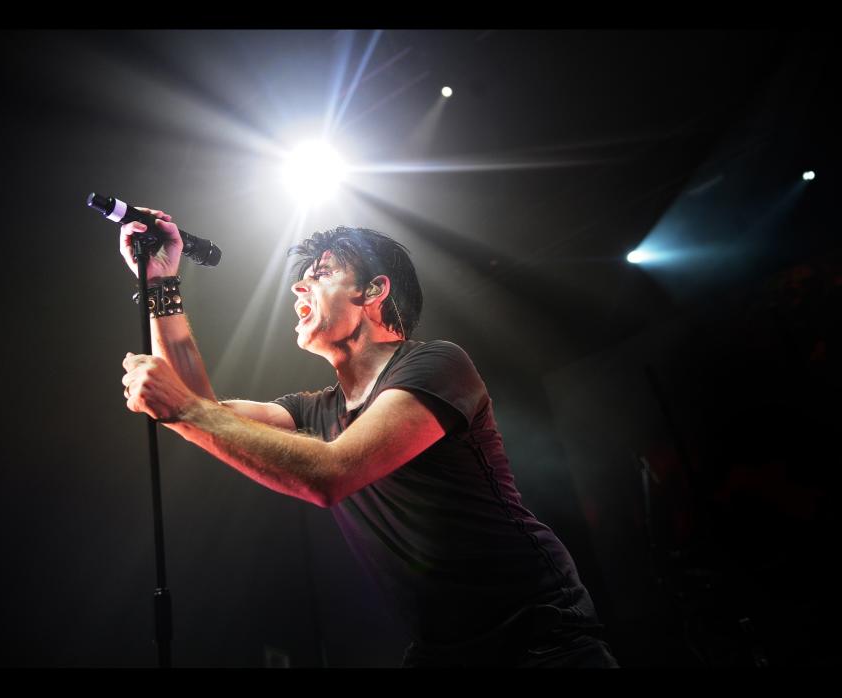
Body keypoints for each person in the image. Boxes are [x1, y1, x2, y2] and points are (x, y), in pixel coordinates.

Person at [119, 209, 619, 667]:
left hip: (537, 640)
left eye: (321, 274)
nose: (298, 288)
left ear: (374, 291)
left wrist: (183, 409)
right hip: (442, 652)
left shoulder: (437, 364)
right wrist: (161, 283)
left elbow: (330, 473)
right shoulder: (317, 408)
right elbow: (202, 410)